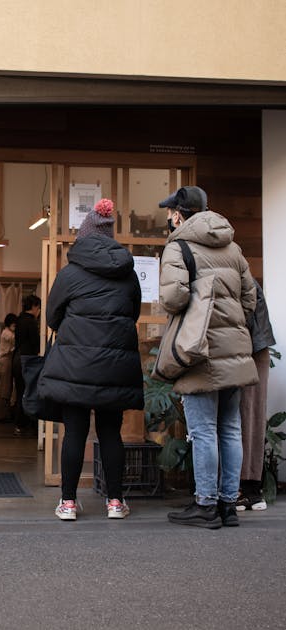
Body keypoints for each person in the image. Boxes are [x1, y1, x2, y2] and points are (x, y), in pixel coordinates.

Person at [159, 186, 258, 529]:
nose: (168, 217)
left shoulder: (178, 245)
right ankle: (228, 505)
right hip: (234, 348)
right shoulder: (232, 247)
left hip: (198, 349)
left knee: (203, 431)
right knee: (230, 428)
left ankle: (205, 505)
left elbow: (173, 298)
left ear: (179, 214)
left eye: (170, 212)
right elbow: (250, 299)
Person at [38, 199, 144, 521]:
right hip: (115, 365)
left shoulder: (69, 274)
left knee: (75, 432)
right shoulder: (128, 274)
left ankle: (68, 504)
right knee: (111, 433)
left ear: (82, 236)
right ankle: (115, 502)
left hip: (76, 366)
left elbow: (52, 317)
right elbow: (133, 313)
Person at [237, 280, 276, 511]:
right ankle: (250, 489)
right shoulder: (245, 275)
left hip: (244, 349)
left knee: (241, 418)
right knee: (252, 417)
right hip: (256, 347)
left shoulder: (236, 275)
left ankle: (243, 489)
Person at [12, 294, 42, 436]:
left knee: (20, 392)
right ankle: (28, 424)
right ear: (35, 306)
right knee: (28, 392)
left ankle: (19, 424)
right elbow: (35, 343)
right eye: (39, 308)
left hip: (17, 359)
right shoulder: (31, 322)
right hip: (27, 360)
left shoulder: (19, 319)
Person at [0, 313, 17, 424]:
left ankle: (2, 414)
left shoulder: (6, 332)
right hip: (5, 362)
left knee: (4, 389)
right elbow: (14, 340)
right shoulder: (7, 333)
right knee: (4, 390)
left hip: (3, 362)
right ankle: (0, 415)